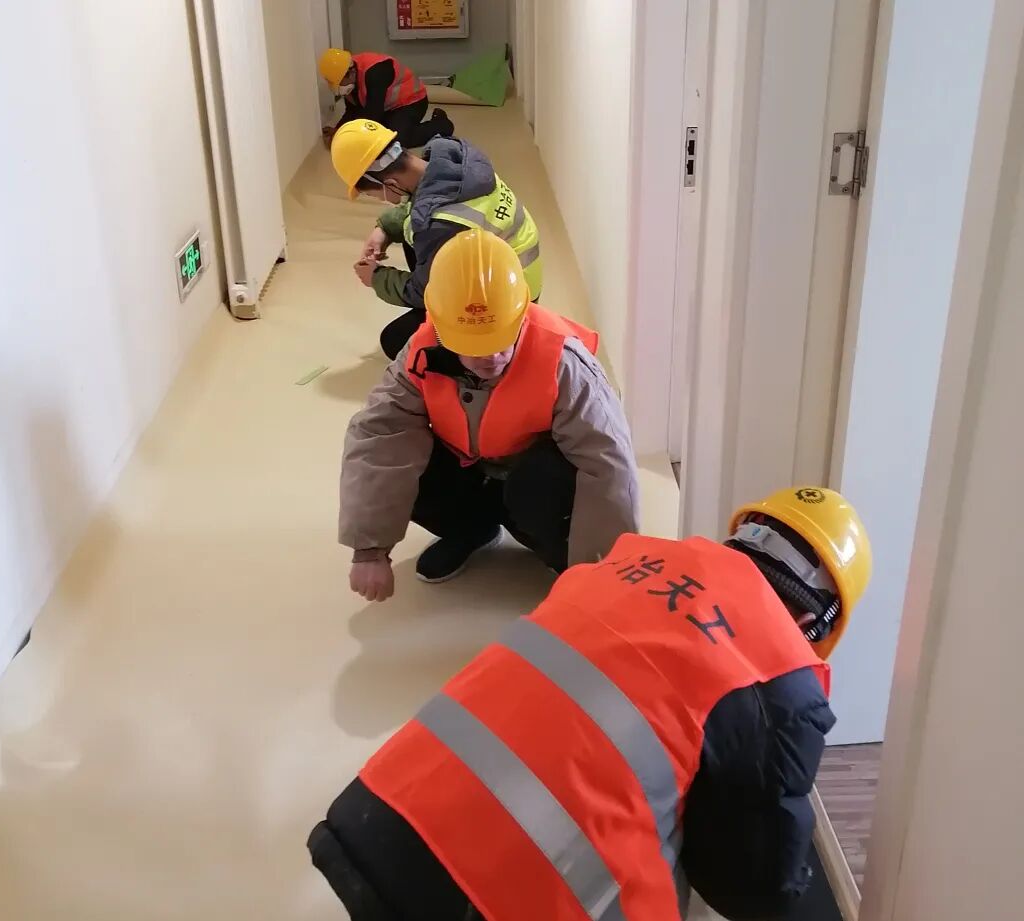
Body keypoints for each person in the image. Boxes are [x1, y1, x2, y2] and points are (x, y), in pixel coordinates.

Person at [309, 486, 872, 921]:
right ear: (815, 621)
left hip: (381, 819)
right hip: (490, 901)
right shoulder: (779, 686)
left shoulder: (625, 562)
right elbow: (751, 889)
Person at [339, 229, 635, 596]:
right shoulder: (420, 353)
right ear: (439, 324)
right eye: (473, 345)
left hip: (534, 485)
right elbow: (380, 434)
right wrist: (369, 550)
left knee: (539, 483)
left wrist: (600, 577)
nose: (491, 357)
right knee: (404, 454)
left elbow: (606, 465)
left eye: (501, 338)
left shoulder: (565, 363)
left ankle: (554, 548)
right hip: (471, 470)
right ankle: (472, 529)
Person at [330, 119, 543, 359]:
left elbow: (422, 290)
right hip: (516, 279)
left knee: (396, 341)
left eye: (374, 194)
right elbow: (426, 204)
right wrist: (384, 229)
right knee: (415, 235)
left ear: (390, 184)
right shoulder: (453, 165)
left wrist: (376, 277)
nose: (381, 200)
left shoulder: (440, 225)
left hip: (506, 309)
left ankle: (489, 357)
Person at [318, 48, 454, 149]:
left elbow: (373, 116)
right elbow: (353, 111)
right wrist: (338, 130)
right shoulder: (348, 77)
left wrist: (346, 138)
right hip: (389, 107)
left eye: (340, 83)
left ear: (351, 72)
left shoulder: (376, 72)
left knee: (397, 141)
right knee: (383, 134)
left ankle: (442, 125)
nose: (339, 88)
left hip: (412, 102)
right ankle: (407, 125)